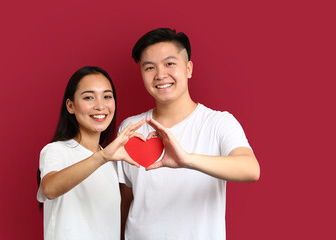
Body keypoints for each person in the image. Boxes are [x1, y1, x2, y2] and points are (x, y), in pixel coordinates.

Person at [118, 28, 260, 240]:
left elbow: (250, 169)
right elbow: (125, 198)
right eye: (149, 67)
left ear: (188, 68)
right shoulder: (130, 128)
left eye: (169, 64)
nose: (160, 75)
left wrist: (187, 160)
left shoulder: (218, 123)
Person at [37, 66, 145, 240]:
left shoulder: (112, 159)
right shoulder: (57, 150)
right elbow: (49, 189)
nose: (100, 106)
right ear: (70, 105)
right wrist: (101, 157)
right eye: (89, 97)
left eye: (107, 96)